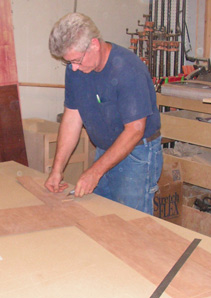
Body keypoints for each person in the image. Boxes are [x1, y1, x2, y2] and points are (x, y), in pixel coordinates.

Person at [45, 12, 163, 215]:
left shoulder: (128, 70)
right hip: (105, 149)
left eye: (76, 60)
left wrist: (95, 171)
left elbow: (135, 130)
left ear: (94, 45)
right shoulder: (76, 69)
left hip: (137, 153)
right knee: (100, 218)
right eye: (68, 62)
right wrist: (57, 170)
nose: (73, 68)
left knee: (131, 224)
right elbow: (72, 118)